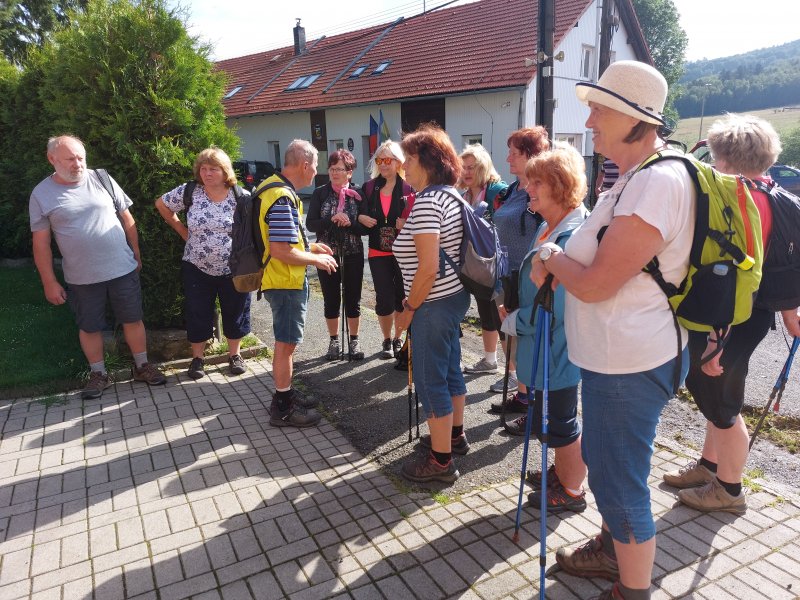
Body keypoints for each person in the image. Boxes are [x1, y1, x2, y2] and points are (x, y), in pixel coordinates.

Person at [529, 61, 695, 600]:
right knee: (618, 471)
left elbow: (598, 284)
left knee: (619, 483)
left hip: (628, 364)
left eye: (600, 109)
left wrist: (552, 260)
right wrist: (556, 262)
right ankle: (613, 554)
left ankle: (633, 589)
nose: (591, 118)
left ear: (635, 118)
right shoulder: (634, 178)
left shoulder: (655, 182)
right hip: (616, 358)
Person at [664, 113, 800, 515]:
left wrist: (717, 340)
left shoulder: (735, 201)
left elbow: (730, 276)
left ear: (724, 156)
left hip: (729, 318)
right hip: (754, 314)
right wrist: (791, 313)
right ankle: (709, 466)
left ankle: (728, 489)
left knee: (722, 403)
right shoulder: (776, 194)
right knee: (715, 398)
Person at [30, 135, 167, 399]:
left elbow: (127, 218)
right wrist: (49, 281)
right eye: (70, 159)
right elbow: (41, 244)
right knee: (89, 326)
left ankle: (142, 366)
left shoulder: (102, 178)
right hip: (81, 276)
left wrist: (135, 252)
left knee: (133, 318)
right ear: (52, 159)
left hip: (122, 269)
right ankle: (98, 374)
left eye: (81, 157)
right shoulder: (41, 194)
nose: (77, 164)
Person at [499, 145, 588, 514]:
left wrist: (513, 321)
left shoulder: (571, 238)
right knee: (548, 416)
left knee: (560, 422)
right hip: (543, 344)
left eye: (537, 183)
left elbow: (557, 308)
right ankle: (561, 472)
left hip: (558, 346)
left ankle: (571, 490)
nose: (527, 189)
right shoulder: (547, 226)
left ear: (561, 185)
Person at [394, 124, 470, 483]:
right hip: (453, 297)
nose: (402, 166)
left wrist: (408, 309)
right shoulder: (452, 195)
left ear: (427, 161)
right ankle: (454, 436)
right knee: (451, 369)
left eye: (407, 159)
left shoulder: (426, 202)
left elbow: (427, 268)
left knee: (429, 378)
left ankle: (440, 462)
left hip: (431, 303)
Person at [258, 139, 338, 427]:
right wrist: (315, 261)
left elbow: (283, 240)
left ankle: (286, 394)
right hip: (285, 282)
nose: (316, 173)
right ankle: (283, 408)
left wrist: (312, 247)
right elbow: (280, 249)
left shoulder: (273, 187)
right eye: (315, 167)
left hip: (279, 279)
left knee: (286, 343)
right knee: (286, 344)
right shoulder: (281, 196)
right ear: (305, 165)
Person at [155, 147, 252, 380]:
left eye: (213, 169)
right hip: (196, 265)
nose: (207, 173)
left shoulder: (241, 196)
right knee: (197, 311)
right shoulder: (190, 192)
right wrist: (181, 229)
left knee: (236, 310)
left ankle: (234, 355)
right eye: (203, 168)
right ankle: (197, 359)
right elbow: (161, 204)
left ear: (225, 171)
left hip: (233, 267)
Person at [488, 128, 549, 409]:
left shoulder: (542, 191)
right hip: (506, 278)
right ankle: (523, 396)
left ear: (532, 156)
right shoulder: (513, 190)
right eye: (509, 151)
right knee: (513, 339)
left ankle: (534, 403)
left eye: (515, 153)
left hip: (529, 279)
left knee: (527, 341)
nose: (508, 158)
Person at [306, 150, 365, 360]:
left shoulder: (359, 194)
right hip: (326, 254)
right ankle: (333, 341)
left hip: (353, 253)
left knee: (353, 299)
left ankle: (354, 341)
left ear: (350, 172)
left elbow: (365, 229)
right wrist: (332, 218)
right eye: (332, 169)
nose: (335, 173)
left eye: (340, 169)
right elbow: (310, 223)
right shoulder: (320, 193)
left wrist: (351, 222)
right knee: (331, 299)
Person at [358, 141, 414, 359]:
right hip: (377, 251)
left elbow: (418, 222)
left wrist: (406, 224)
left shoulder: (409, 188)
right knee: (384, 297)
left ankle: (398, 337)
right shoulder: (369, 188)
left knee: (401, 296)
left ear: (398, 162)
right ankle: (386, 339)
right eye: (379, 160)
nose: (382, 164)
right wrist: (360, 217)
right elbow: (358, 215)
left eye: (387, 160)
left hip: (402, 252)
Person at [458, 144, 508, 376]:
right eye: (464, 167)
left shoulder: (498, 192)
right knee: (485, 314)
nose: (467, 172)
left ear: (484, 167)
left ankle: (514, 375)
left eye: (473, 167)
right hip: (476, 264)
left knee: (502, 318)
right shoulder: (463, 194)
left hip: (497, 264)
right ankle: (490, 361)